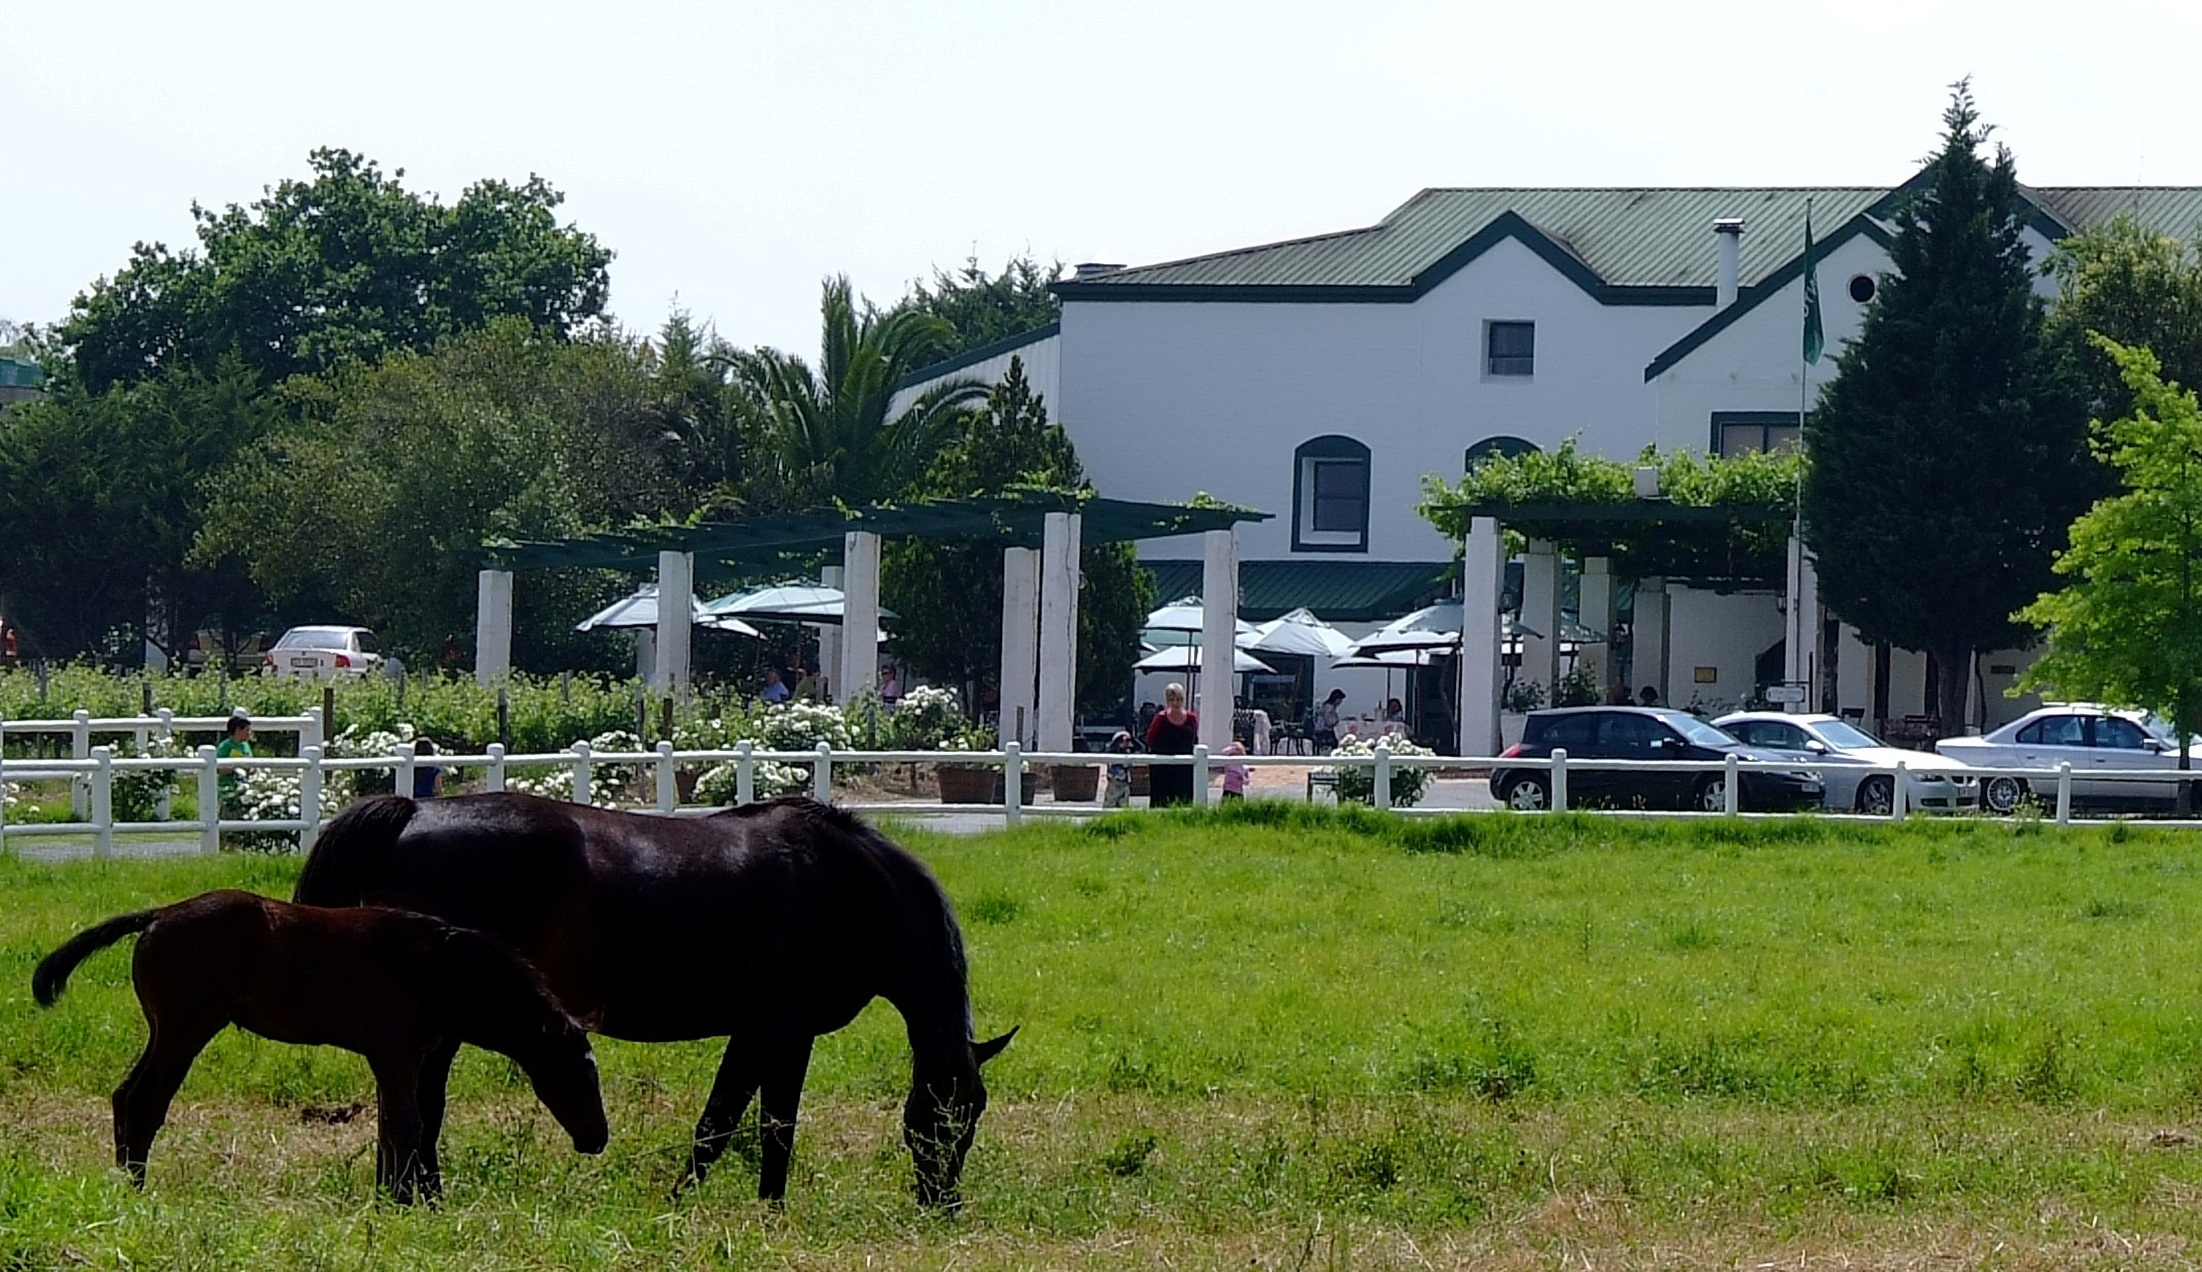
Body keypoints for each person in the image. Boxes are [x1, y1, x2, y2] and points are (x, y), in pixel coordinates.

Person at [1142, 683, 1200, 807]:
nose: (1175, 703)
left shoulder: (1191, 718)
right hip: (1162, 767)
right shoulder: (1161, 718)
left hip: (1184, 767)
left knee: (1183, 799)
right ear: (1167, 700)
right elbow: (1150, 739)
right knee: (1162, 800)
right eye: (1171, 699)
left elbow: (1194, 738)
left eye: (1178, 699)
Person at [214, 715, 254, 840]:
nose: (249, 733)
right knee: (227, 823)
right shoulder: (225, 747)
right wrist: (236, 766)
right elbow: (218, 769)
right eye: (247, 730)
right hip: (228, 790)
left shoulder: (246, 746)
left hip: (244, 790)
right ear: (238, 730)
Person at [1103, 730, 1138, 808]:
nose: (1124, 742)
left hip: (1125, 783)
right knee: (1109, 805)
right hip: (1114, 782)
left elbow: (1140, 747)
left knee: (1123, 806)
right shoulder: (1112, 752)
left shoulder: (1128, 751)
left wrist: (1132, 739)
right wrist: (1118, 740)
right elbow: (1110, 749)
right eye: (1121, 740)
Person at [1313, 689, 1345, 754]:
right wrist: (1335, 721)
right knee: (1334, 742)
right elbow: (1328, 719)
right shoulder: (1329, 707)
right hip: (1324, 729)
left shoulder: (1327, 706)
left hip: (1323, 728)